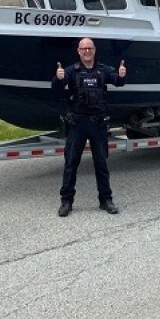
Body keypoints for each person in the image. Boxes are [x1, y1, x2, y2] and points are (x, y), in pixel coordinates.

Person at [52, 37, 126, 217]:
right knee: (71, 163)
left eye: (89, 48)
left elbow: (118, 81)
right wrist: (59, 78)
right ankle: (66, 201)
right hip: (77, 124)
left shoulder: (103, 70)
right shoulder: (71, 71)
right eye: (83, 48)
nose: (86, 51)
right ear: (78, 51)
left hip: (98, 124)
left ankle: (106, 200)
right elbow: (56, 88)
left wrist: (122, 75)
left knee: (101, 163)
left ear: (94, 50)